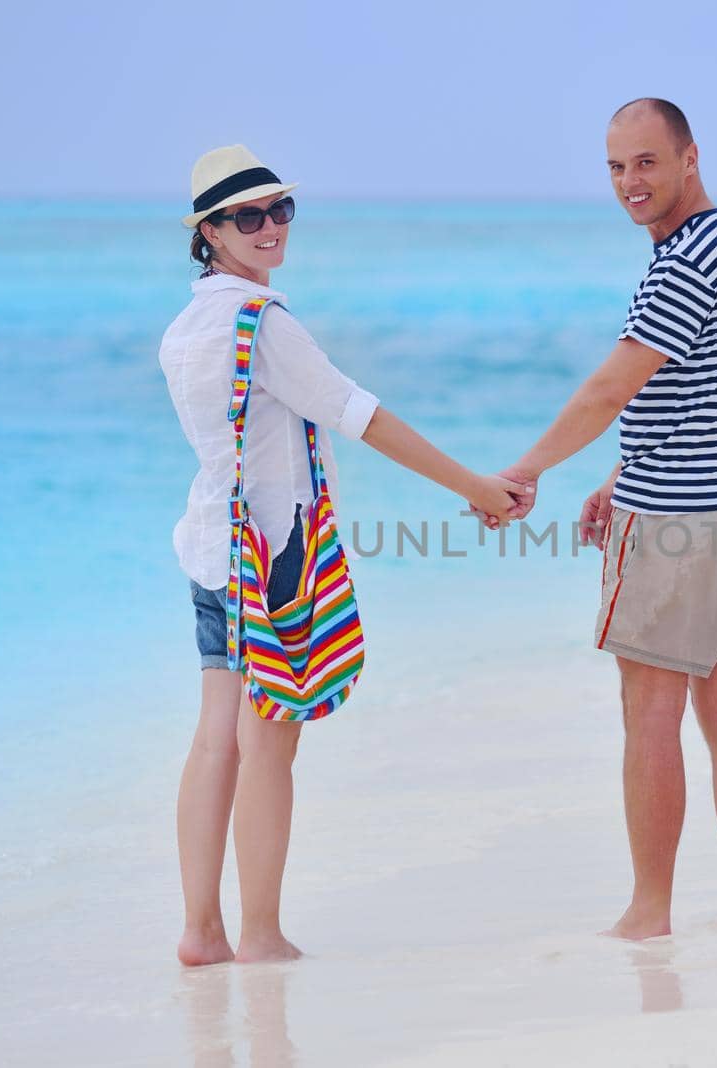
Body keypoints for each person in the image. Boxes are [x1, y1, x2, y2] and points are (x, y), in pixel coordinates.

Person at [160, 145, 528, 966]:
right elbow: (362, 416)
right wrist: (473, 484)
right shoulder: (263, 324)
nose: (268, 228)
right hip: (273, 559)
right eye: (246, 217)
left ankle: (200, 930)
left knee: (216, 734)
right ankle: (258, 934)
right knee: (269, 743)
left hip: (211, 548)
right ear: (210, 233)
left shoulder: (186, 329)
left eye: (279, 210)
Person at [495, 100, 717, 940]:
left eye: (647, 163)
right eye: (616, 167)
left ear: (690, 157)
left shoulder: (681, 265)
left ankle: (649, 913)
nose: (631, 183)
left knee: (651, 710)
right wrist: (623, 472)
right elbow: (714, 391)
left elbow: (608, 388)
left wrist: (524, 470)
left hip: (683, 525)